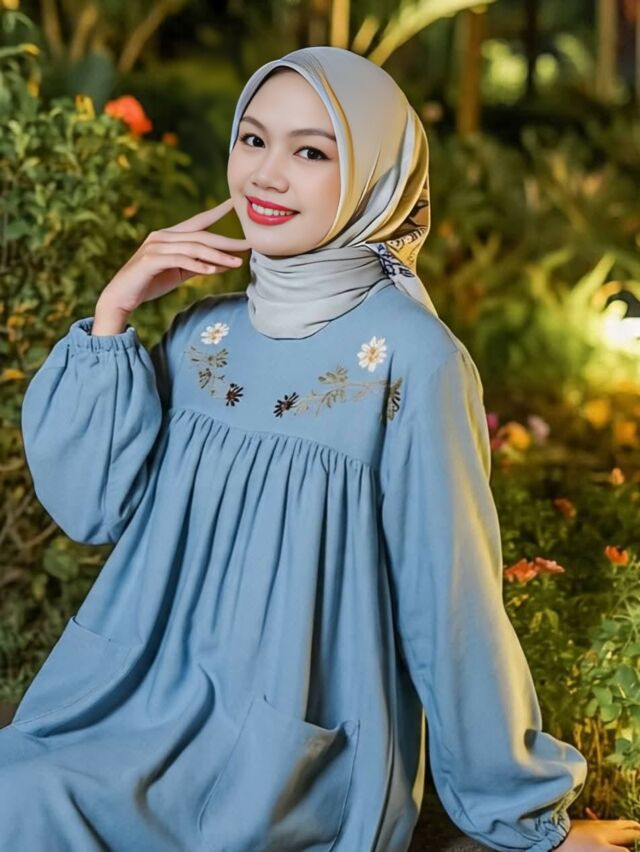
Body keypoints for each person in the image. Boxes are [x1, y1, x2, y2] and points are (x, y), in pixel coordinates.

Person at [1, 45, 638, 852]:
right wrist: (113, 314)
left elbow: (450, 602)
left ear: (375, 178)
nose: (266, 175)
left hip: (286, 762)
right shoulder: (202, 335)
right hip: (141, 714)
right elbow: (93, 507)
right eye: (253, 139)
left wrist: (526, 820)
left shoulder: (413, 360)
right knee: (18, 792)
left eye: (310, 152)